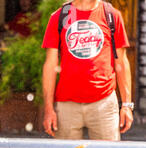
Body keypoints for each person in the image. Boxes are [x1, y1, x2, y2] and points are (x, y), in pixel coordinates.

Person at [42, 0, 133, 140]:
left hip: (104, 103)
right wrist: (48, 108)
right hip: (66, 105)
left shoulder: (111, 15)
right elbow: (50, 65)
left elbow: (121, 62)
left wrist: (126, 105)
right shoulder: (59, 17)